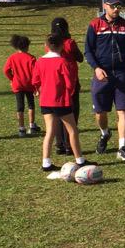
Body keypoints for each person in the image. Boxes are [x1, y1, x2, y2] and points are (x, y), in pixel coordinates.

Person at [84, 0, 125, 162]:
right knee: (100, 112)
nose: (116, 9)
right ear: (105, 6)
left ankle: (122, 147)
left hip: (121, 74)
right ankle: (105, 133)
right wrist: (96, 68)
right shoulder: (95, 25)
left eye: (118, 6)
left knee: (122, 111)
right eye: (113, 6)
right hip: (102, 74)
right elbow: (88, 51)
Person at [32, 33, 90, 172]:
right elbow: (70, 83)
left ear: (46, 46)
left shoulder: (39, 61)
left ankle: (46, 163)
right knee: (72, 130)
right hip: (61, 101)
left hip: (45, 101)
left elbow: (35, 80)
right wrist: (69, 94)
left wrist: (40, 90)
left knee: (50, 131)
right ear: (62, 46)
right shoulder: (62, 62)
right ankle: (80, 160)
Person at [50, 16, 84, 155]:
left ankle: (59, 145)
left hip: (55, 81)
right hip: (70, 80)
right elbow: (80, 58)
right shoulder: (69, 43)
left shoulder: (49, 43)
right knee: (72, 112)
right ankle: (70, 144)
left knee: (57, 113)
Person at [3, 34, 40, 137]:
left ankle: (21, 128)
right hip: (29, 85)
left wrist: (12, 79)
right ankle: (32, 126)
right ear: (27, 46)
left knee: (20, 106)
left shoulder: (12, 58)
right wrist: (36, 87)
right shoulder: (31, 58)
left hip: (18, 85)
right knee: (31, 105)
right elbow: (35, 73)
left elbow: (6, 70)